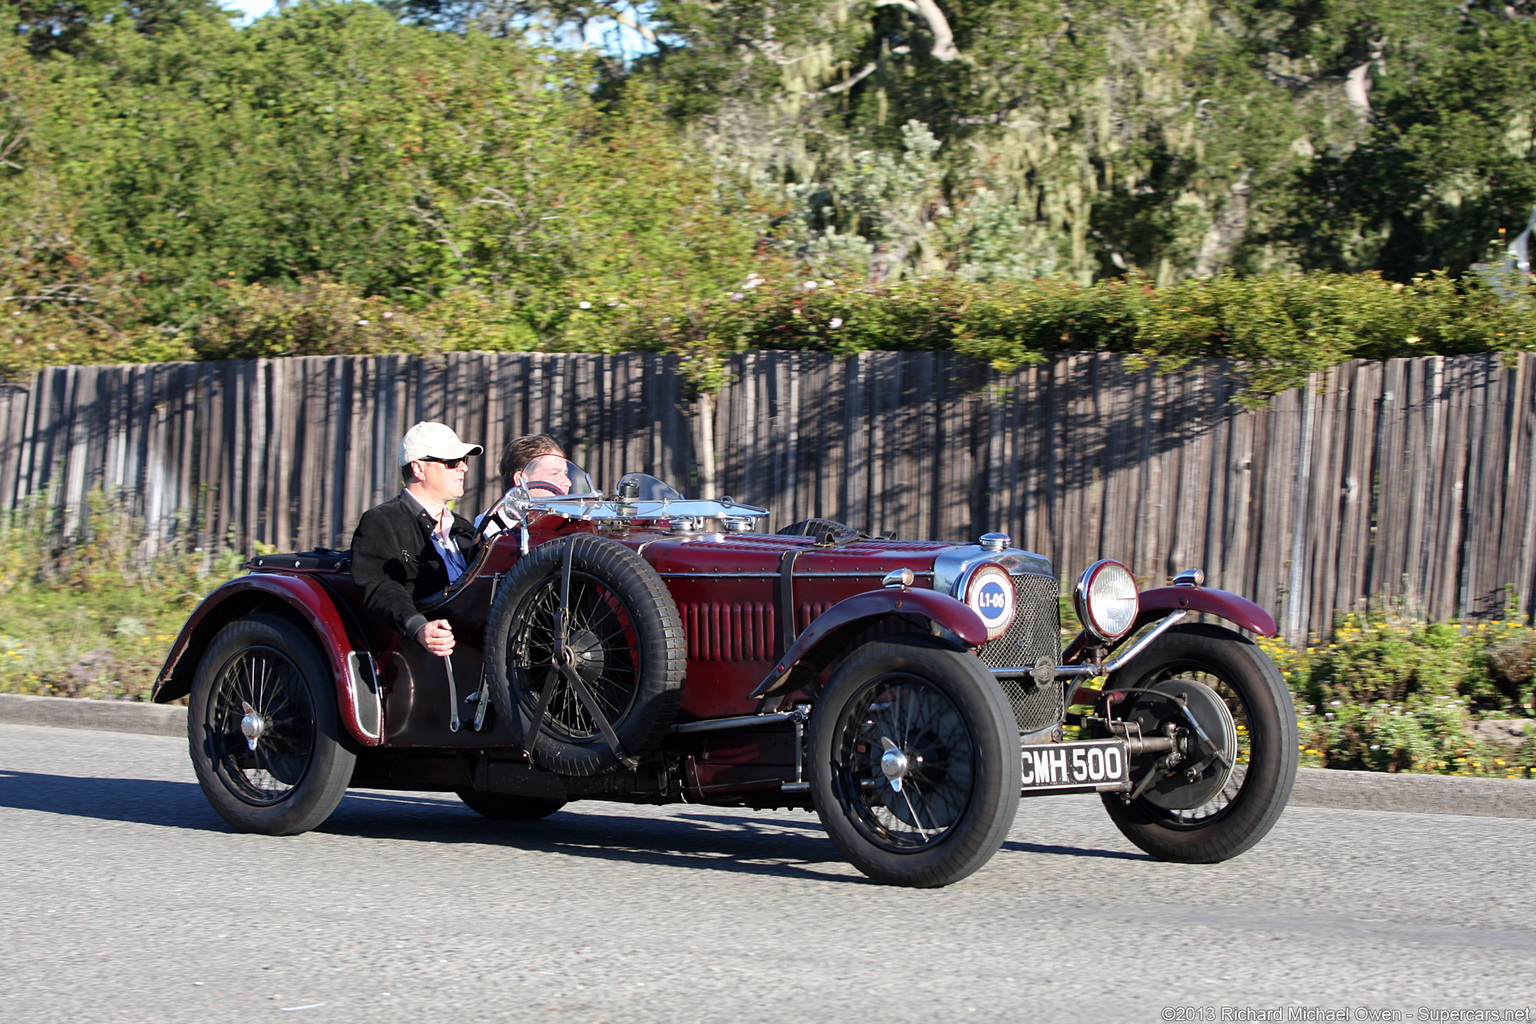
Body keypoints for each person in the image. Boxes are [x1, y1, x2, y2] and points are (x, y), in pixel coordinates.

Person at [350, 421, 483, 657]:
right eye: (452, 462)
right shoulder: (382, 521)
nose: (463, 467)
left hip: (479, 646)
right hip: (426, 656)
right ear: (419, 468)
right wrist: (418, 627)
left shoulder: (465, 529)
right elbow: (382, 586)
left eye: (465, 460)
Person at [476, 433, 568, 540]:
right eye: (554, 473)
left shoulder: (568, 521)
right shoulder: (491, 525)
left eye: (565, 473)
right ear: (521, 480)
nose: (567, 482)